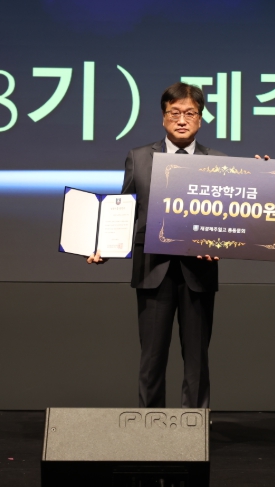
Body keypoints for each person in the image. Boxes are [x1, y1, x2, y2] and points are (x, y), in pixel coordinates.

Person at [88, 82, 224, 408]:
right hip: (152, 270)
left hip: (198, 272)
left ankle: (194, 427)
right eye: (174, 113)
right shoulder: (139, 157)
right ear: (163, 117)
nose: (182, 120)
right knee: (151, 357)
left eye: (190, 113)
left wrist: (262, 177)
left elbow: (228, 217)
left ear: (201, 118)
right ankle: (149, 426)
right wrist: (106, 246)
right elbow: (124, 209)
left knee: (197, 358)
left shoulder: (219, 161)